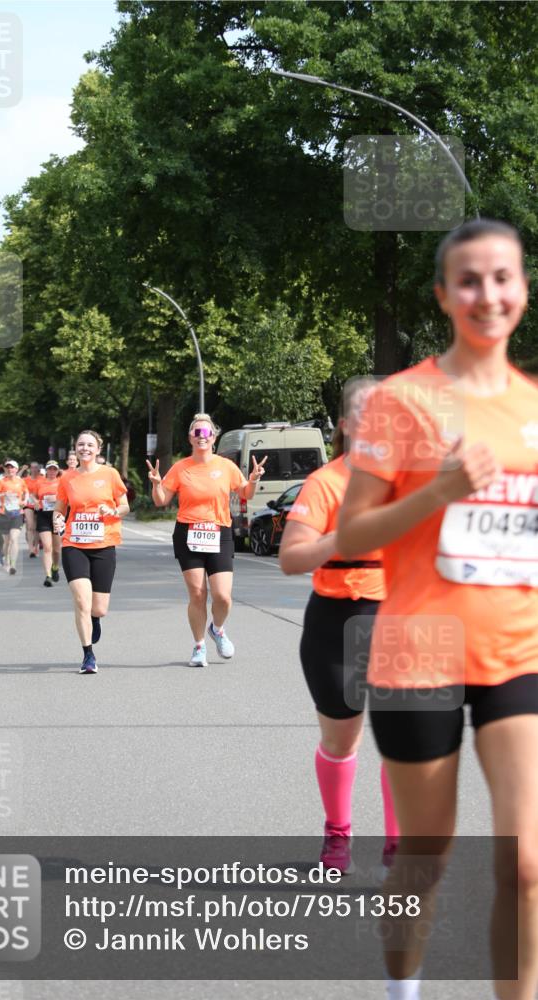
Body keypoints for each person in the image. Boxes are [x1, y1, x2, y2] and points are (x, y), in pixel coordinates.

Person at [337, 219, 537, 1000]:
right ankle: (402, 987)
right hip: (416, 650)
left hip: (516, 652)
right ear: (442, 294)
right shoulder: (403, 401)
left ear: (520, 287)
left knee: (525, 864)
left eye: (501, 277)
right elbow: (352, 532)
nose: (486, 294)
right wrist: (440, 490)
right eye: (468, 280)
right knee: (424, 854)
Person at [279, 381, 398, 875]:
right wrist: (339, 537)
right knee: (342, 741)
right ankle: (338, 836)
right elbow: (290, 558)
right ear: (347, 426)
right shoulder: (327, 481)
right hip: (339, 620)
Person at [147, 413, 267, 667]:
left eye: (207, 433)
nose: (202, 437)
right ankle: (199, 646)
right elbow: (161, 500)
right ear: (190, 437)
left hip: (219, 532)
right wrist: (157, 484)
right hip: (188, 533)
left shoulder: (225, 466)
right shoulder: (181, 467)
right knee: (198, 594)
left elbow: (245, 493)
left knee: (223, 596)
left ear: (214, 437)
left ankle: (218, 629)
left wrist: (254, 479)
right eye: (197, 433)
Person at [53, 430, 129, 674]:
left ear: (98, 449)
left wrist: (114, 512)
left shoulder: (110, 474)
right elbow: (60, 507)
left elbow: (125, 505)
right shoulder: (67, 478)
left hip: (103, 544)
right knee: (81, 601)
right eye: (80, 444)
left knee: (99, 608)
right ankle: (88, 655)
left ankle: (95, 618)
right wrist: (57, 520)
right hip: (74, 544)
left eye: (89, 445)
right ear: (75, 449)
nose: (84, 448)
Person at [0, 460, 28, 575]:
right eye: (8, 468)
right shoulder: (1, 481)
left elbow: (26, 492)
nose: (10, 469)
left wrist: (25, 501)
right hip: (4, 513)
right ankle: (7, 561)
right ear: (5, 470)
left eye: (12, 468)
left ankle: (13, 564)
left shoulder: (21, 481)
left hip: (17, 513)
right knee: (7, 541)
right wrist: (4, 494)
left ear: (16, 469)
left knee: (14, 538)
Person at [35, 460, 62, 587]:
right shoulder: (40, 482)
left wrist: (56, 499)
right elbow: (33, 496)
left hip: (58, 516)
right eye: (50, 469)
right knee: (47, 547)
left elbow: (68, 498)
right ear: (46, 470)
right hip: (43, 515)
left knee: (56, 550)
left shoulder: (62, 483)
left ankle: (55, 567)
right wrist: (34, 502)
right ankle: (48, 575)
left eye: (54, 469)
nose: (52, 472)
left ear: (57, 471)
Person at [21, 461, 43, 558]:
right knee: (30, 526)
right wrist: (22, 470)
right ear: (30, 469)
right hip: (28, 504)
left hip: (39, 504)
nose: (34, 469)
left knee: (37, 527)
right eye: (32, 467)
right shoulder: (25, 480)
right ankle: (31, 548)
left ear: (38, 469)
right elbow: (16, 479)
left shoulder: (42, 479)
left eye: (36, 467)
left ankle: (36, 546)